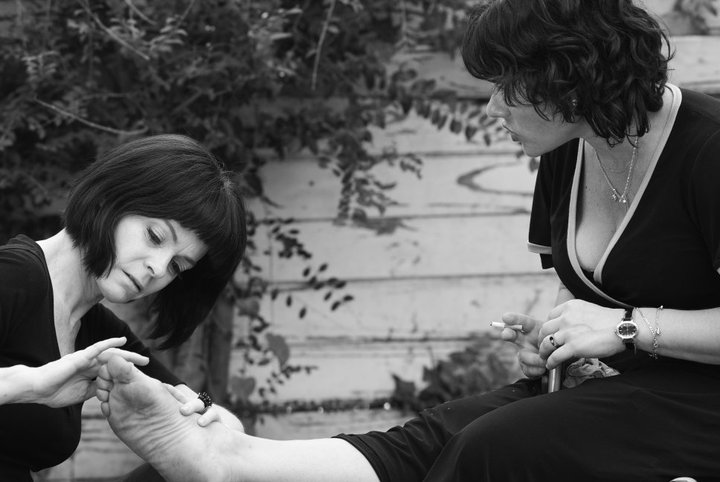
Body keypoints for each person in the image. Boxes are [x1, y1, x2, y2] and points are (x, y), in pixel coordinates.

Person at [95, 1, 720, 480]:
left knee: (494, 447)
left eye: (506, 86)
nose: (491, 107)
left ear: (570, 80)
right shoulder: (570, 144)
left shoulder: (708, 149)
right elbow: (577, 290)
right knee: (436, 434)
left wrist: (627, 327)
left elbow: (618, 319)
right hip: (615, 383)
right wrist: (557, 336)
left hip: (702, 400)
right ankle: (229, 459)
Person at [0, 134, 247, 481]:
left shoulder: (101, 334)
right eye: (155, 237)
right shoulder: (14, 275)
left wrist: (203, 410)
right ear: (111, 197)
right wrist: (32, 384)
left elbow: (226, 428)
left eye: (177, 266)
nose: (158, 269)